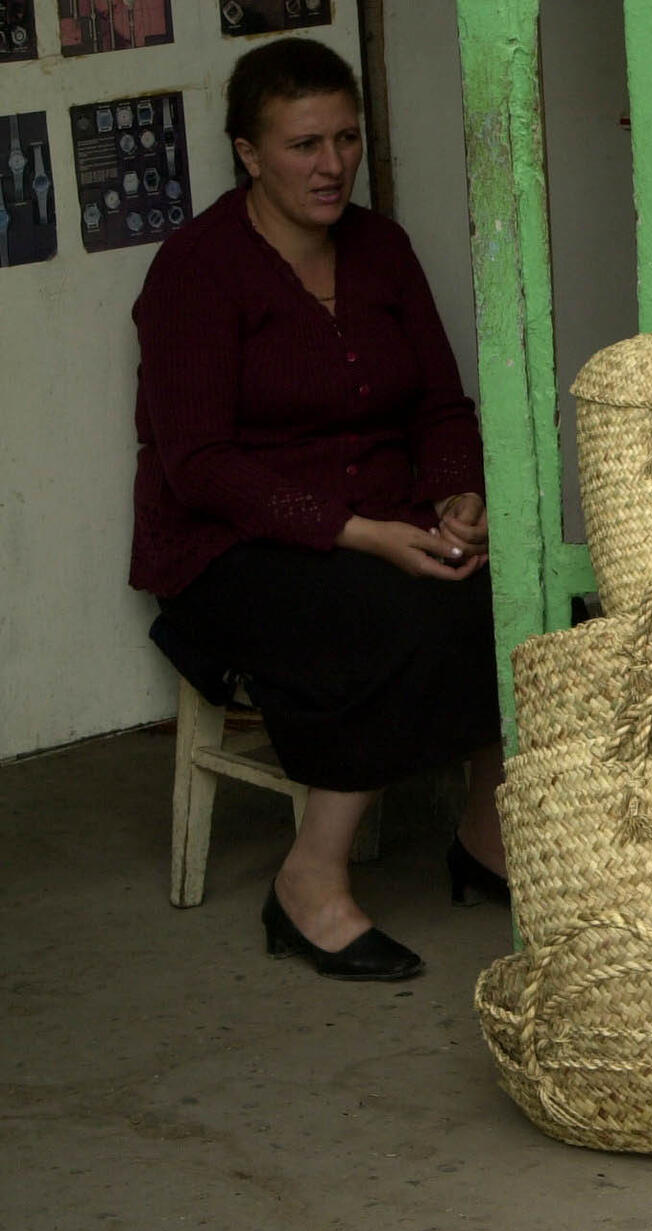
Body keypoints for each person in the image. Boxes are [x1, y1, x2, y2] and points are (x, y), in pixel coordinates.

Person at [130, 38, 507, 981]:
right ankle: (309, 882)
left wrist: (459, 497)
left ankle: (486, 831)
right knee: (392, 619)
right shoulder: (196, 270)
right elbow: (198, 464)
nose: (332, 164)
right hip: (231, 547)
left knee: (525, 601)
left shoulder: (381, 248)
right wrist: (360, 535)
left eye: (346, 138)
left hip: (387, 517)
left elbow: (439, 407)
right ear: (249, 154)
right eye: (303, 145)